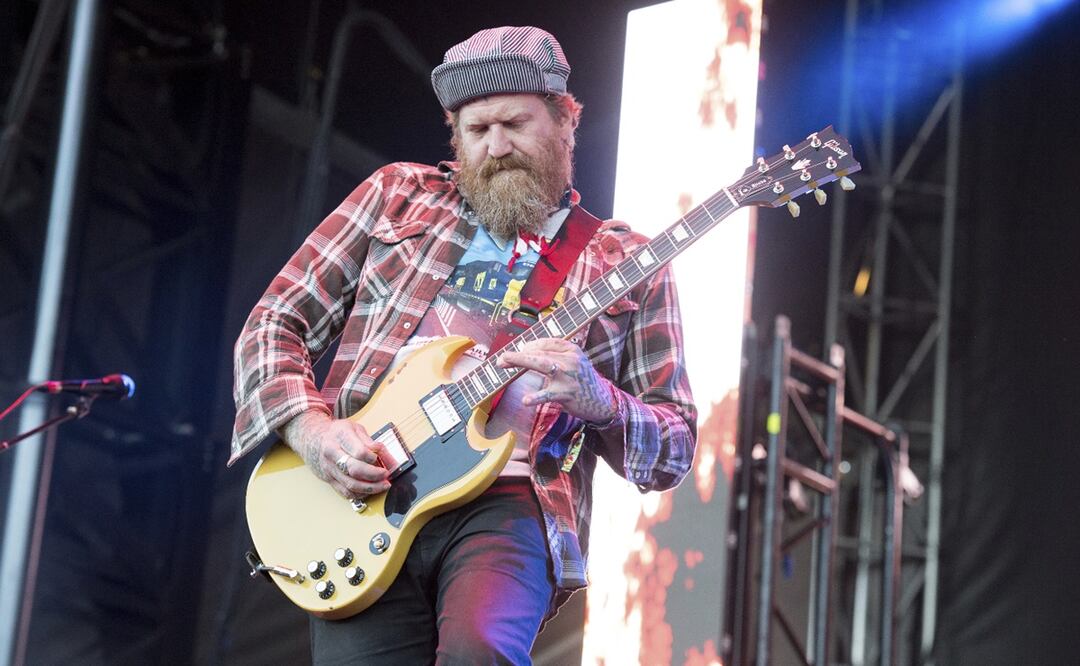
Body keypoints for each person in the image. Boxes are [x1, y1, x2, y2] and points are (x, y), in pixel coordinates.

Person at [230, 25, 697, 664]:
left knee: (482, 651)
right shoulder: (397, 196)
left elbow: (673, 447)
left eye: (514, 124)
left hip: (511, 502)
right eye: (476, 131)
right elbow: (274, 321)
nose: (496, 147)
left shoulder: (625, 259)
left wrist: (602, 400)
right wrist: (312, 431)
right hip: (365, 489)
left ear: (566, 121)